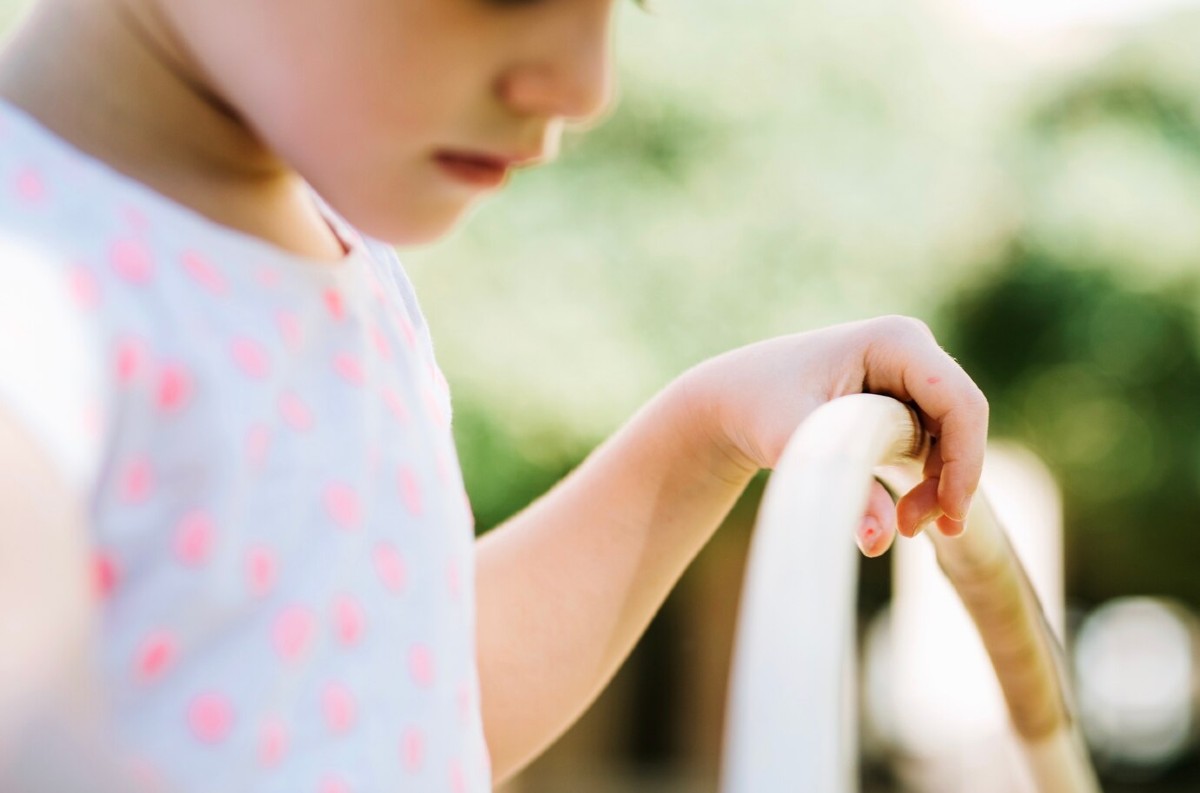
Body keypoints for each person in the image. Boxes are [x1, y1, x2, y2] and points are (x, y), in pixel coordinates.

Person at [0, 0, 989, 790]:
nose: (588, 83)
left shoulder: (335, 244)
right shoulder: (35, 286)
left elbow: (401, 696)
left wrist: (707, 431)